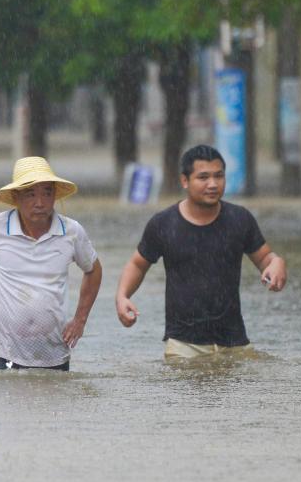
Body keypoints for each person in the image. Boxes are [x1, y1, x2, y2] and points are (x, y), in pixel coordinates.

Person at [115, 144, 287, 359]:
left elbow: (264, 257)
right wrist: (122, 296)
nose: (213, 184)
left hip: (234, 342)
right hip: (183, 345)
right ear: (185, 181)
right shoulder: (163, 224)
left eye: (219, 176)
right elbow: (138, 264)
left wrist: (277, 262)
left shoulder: (239, 219)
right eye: (203, 177)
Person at [0, 157, 103, 370]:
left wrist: (80, 320)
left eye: (47, 193)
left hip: (54, 355)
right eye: (31, 194)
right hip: (3, 354)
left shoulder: (71, 232)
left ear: (55, 196)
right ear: (16, 197)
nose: (40, 202)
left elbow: (93, 269)